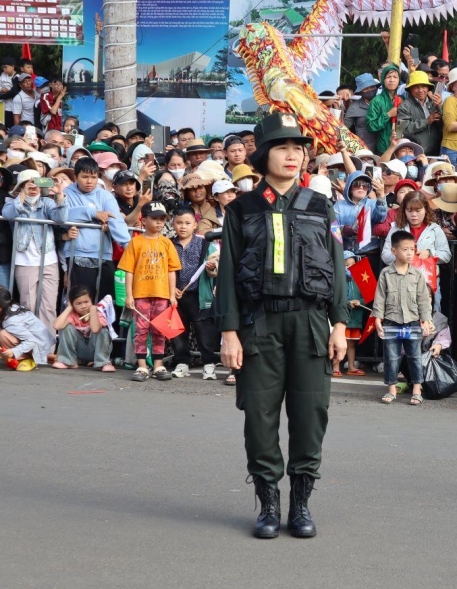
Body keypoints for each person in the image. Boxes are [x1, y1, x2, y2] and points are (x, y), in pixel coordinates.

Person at [217, 112, 349, 540]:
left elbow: (336, 269)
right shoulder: (242, 209)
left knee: (311, 414)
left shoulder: (319, 205)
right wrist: (230, 331)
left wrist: (340, 323)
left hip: (311, 322)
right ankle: (269, 502)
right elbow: (229, 275)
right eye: (282, 147)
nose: (293, 155)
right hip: (259, 323)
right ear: (263, 155)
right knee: (259, 415)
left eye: (299, 148)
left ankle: (302, 503)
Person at [118, 201, 181, 382]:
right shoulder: (135, 242)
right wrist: (129, 295)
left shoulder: (167, 243)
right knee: (141, 329)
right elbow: (128, 270)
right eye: (154, 219)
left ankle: (158, 365)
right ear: (143, 220)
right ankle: (142, 366)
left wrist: (171, 295)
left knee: (159, 330)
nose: (159, 223)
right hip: (141, 294)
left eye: (162, 219)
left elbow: (171, 270)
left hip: (161, 294)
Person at [373, 230, 435, 405]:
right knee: (391, 357)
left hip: (413, 321)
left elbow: (423, 299)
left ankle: (417, 388)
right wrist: (378, 319)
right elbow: (380, 298)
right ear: (394, 251)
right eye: (405, 249)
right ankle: (392, 389)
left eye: (412, 249)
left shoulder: (416, 275)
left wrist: (427, 319)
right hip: (392, 321)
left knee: (414, 356)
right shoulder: (386, 274)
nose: (409, 253)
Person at [2, 169, 66, 329]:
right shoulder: (12, 203)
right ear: (20, 187)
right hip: (24, 262)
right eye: (27, 182)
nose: (32, 185)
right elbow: (8, 214)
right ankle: (32, 348)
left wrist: (59, 195)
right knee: (28, 306)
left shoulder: (47, 203)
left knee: (49, 307)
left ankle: (48, 350)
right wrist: (22, 194)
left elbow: (61, 219)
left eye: (36, 182)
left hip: (49, 261)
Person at [62, 156, 131, 302]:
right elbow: (64, 215)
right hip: (78, 254)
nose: (89, 181)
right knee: (82, 302)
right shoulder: (66, 193)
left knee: (106, 302)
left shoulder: (105, 195)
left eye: (93, 177)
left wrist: (129, 246)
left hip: (104, 254)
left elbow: (116, 221)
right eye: (84, 177)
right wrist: (94, 213)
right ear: (75, 177)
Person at [169, 206, 220, 380]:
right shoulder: (169, 244)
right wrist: (170, 289)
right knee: (178, 329)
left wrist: (213, 267)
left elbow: (217, 262)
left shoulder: (205, 244)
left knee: (204, 329)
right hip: (176, 294)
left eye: (187, 223)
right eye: (179, 223)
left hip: (199, 294)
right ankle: (182, 361)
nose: (183, 226)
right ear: (173, 224)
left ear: (195, 225)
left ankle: (209, 363)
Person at [53, 285, 114, 371]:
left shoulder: (98, 313)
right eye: (78, 303)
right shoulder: (73, 314)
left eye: (86, 302)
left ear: (91, 300)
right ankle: (68, 361)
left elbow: (96, 329)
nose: (83, 306)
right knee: (66, 328)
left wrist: (93, 312)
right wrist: (69, 308)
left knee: (102, 330)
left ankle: (103, 362)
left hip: (96, 351)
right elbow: (57, 326)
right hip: (79, 351)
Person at [0, 285, 54, 370]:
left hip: (36, 346)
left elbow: (31, 341)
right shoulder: (11, 307)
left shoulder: (11, 321)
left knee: (2, 335)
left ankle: (27, 359)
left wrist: (13, 351)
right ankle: (48, 357)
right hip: (39, 344)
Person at [397, 71, 443, 156]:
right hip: (416, 153)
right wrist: (426, 121)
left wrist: (439, 107)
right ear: (410, 89)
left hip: (436, 151)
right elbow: (402, 130)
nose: (420, 90)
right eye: (416, 87)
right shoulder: (404, 106)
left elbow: (443, 126)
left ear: (428, 88)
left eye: (423, 86)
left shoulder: (434, 103)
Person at [366, 64, 402, 156]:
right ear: (383, 80)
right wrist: (388, 115)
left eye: (395, 77)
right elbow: (370, 126)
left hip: (401, 147)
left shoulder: (402, 99)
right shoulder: (376, 101)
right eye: (388, 77)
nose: (392, 80)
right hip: (383, 147)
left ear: (399, 80)